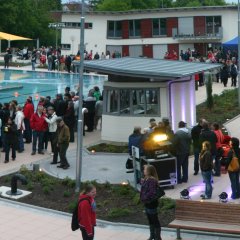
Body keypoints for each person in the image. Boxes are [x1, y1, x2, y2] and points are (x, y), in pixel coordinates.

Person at [140, 165, 162, 240]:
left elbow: (152, 192)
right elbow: (145, 189)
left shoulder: (152, 180)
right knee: (150, 220)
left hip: (151, 203)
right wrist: (142, 182)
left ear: (149, 171)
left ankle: (158, 237)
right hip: (147, 203)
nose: (144, 171)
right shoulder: (146, 179)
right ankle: (152, 236)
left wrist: (144, 197)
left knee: (154, 219)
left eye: (145, 169)